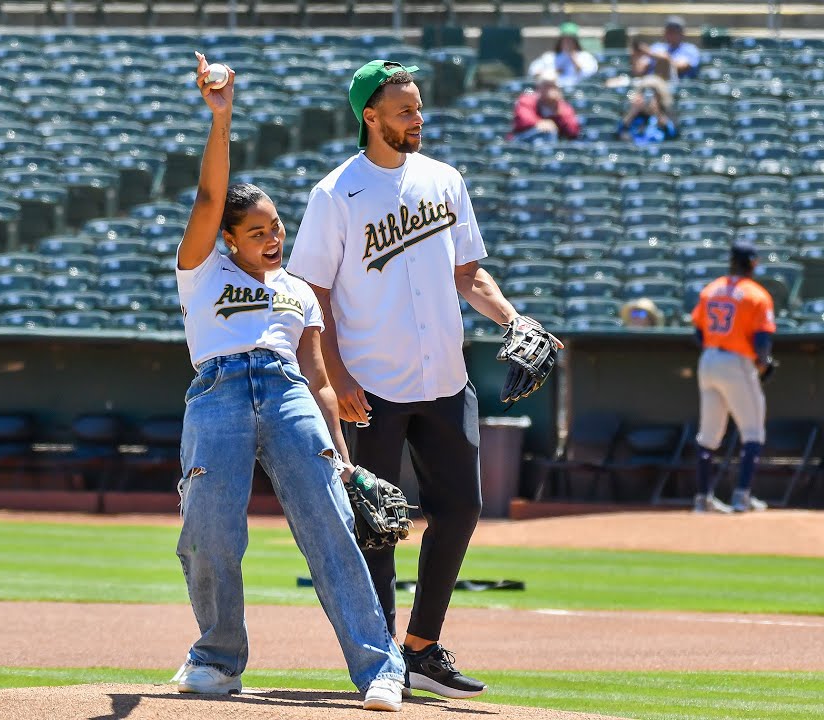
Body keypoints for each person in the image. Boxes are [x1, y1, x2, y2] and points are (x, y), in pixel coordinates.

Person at [288, 59, 562, 700]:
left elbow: (469, 274)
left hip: (445, 376)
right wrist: (338, 374)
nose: (418, 118)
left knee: (462, 508)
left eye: (418, 107)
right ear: (371, 116)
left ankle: (419, 648)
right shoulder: (336, 194)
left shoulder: (445, 180)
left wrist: (514, 318)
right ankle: (380, 658)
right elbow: (313, 294)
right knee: (376, 523)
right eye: (405, 109)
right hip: (371, 385)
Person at [170, 51, 406, 712]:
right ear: (228, 240)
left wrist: (347, 463)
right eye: (257, 231)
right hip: (216, 392)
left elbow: (320, 379)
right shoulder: (202, 273)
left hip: (286, 393)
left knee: (330, 527)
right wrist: (222, 119)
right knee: (208, 535)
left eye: (276, 227)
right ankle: (217, 660)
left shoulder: (299, 292)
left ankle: (380, 669)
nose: (273, 237)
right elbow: (210, 197)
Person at [690, 241, 777, 514]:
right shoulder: (756, 294)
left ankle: (703, 498)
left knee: (708, 435)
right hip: (736, 361)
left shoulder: (711, 289)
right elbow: (762, 339)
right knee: (753, 431)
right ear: (752, 263)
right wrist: (763, 364)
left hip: (708, 359)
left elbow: (698, 332)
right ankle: (742, 496)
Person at [510, 69, 581, 143]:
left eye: (553, 86)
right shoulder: (527, 100)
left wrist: (558, 110)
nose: (549, 90)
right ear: (539, 87)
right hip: (524, 139)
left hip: (552, 143)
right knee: (546, 133)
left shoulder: (563, 106)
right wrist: (539, 123)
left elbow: (573, 131)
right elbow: (523, 119)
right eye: (546, 86)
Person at [526, 21, 599, 89]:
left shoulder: (585, 56)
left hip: (577, 92)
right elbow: (533, 71)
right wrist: (552, 72)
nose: (567, 43)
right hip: (553, 92)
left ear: (576, 41)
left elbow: (589, 74)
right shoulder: (550, 57)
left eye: (570, 40)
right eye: (565, 39)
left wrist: (573, 58)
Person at [615, 76, 678, 145]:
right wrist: (633, 111)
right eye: (644, 91)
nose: (648, 96)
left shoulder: (666, 112)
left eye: (653, 92)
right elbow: (619, 132)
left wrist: (656, 112)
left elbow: (672, 134)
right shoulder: (632, 112)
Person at [643, 16, 701, 81]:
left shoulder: (690, 49)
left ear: (682, 33)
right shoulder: (656, 47)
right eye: (669, 31)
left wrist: (659, 56)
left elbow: (681, 67)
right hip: (650, 84)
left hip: (678, 87)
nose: (671, 34)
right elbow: (639, 70)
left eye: (675, 31)